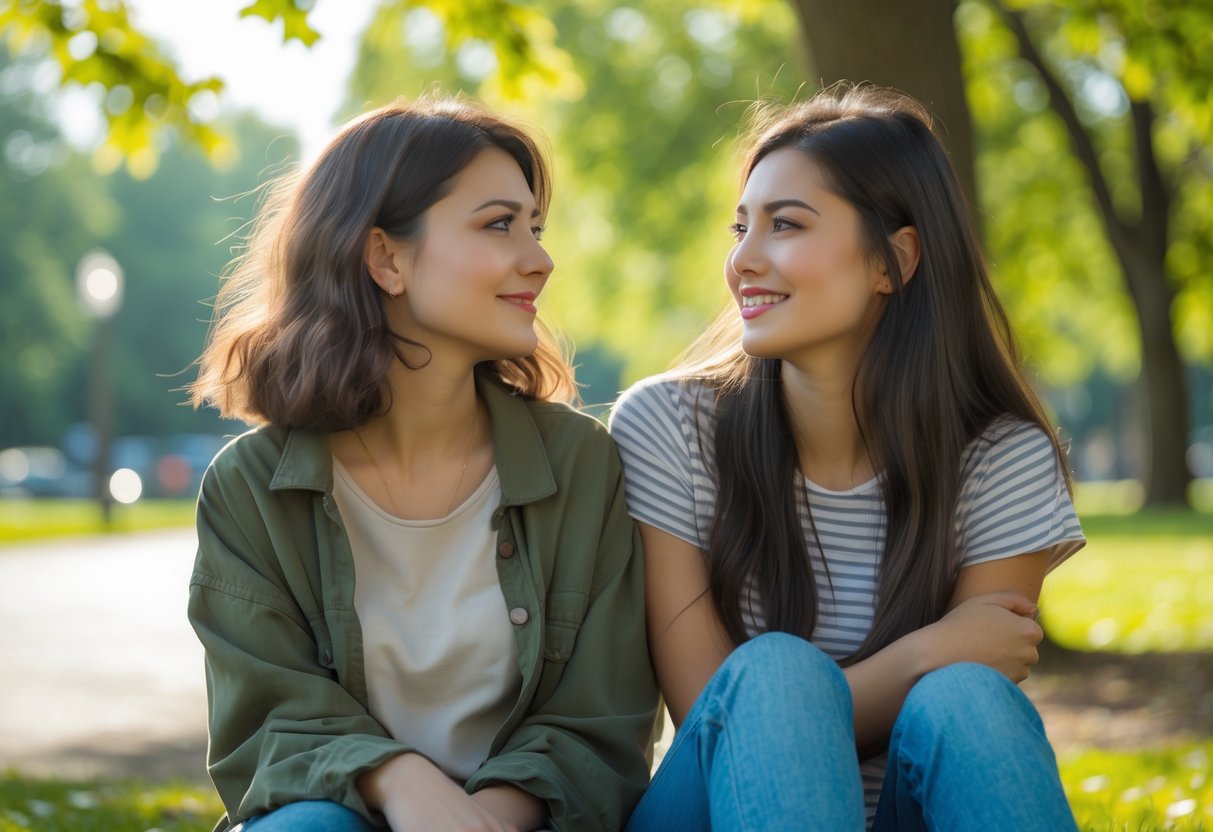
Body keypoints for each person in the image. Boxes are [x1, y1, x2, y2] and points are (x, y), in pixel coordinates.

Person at [609, 83, 1085, 831]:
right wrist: (918, 655)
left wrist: (934, 668)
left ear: (892, 261)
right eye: (740, 228)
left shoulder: (999, 458)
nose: (742, 260)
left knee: (965, 697)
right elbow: (721, 717)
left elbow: (976, 669)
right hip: (714, 811)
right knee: (773, 675)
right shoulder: (670, 426)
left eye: (785, 225)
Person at [187, 96, 658, 832]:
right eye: (498, 224)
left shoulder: (582, 463)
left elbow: (602, 717)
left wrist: (488, 819)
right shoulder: (248, 489)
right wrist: (397, 779)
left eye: (534, 227)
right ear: (385, 257)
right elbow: (267, 722)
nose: (539, 259)